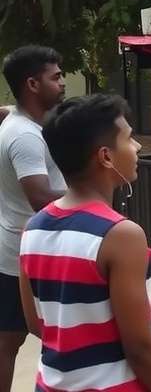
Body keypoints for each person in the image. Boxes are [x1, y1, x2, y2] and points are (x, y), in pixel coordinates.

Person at [19, 94, 151, 391]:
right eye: (130, 139)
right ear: (105, 156)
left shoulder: (32, 229)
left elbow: (36, 324)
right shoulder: (121, 235)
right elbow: (141, 348)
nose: (138, 147)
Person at [0, 46, 67, 391]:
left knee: (9, 342)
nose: (63, 82)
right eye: (55, 77)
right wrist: (92, 190)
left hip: (22, 252)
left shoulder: (17, 118)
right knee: (13, 343)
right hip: (26, 258)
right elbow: (40, 198)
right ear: (32, 84)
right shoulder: (25, 135)